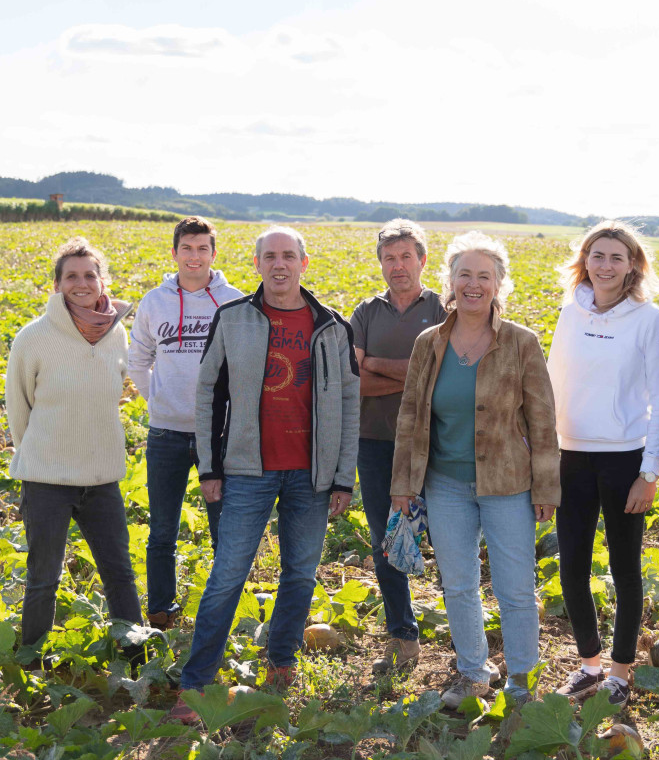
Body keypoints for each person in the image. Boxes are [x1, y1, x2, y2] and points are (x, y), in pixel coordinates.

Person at [171, 226, 360, 722]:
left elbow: (347, 402)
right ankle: (196, 685)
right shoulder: (232, 318)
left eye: (288, 256)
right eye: (270, 256)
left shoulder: (333, 327)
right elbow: (208, 393)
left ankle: (280, 664)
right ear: (257, 264)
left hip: (311, 476)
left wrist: (343, 476)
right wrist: (209, 466)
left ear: (303, 262)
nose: (280, 264)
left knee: (300, 573)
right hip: (246, 472)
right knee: (227, 575)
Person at [390, 230, 560, 709]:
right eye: (464, 274)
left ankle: (523, 680)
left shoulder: (522, 342)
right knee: (459, 584)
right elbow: (410, 415)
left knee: (515, 588)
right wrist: (403, 483)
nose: (473, 284)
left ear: (498, 284)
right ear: (450, 280)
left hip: (508, 485)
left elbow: (543, 421)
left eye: (484, 276)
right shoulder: (430, 343)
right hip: (444, 485)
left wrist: (547, 485)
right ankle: (472, 672)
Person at [547, 221, 659, 712]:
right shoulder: (569, 312)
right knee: (572, 567)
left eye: (616, 257)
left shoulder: (650, 320)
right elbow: (553, 383)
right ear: (585, 260)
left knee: (625, 568)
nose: (605, 265)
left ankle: (621, 672)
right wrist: (542, 449)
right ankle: (589, 665)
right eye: (597, 255)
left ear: (633, 266)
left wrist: (649, 473)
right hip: (569, 456)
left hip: (624, 459)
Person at [6, 238, 143, 655]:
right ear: (57, 285)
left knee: (119, 573)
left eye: (89, 275)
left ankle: (137, 658)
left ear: (103, 282)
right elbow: (18, 409)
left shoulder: (117, 335)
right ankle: (29, 665)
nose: (81, 283)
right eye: (71, 276)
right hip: (47, 479)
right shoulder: (33, 338)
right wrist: (40, 458)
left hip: (102, 478)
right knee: (43, 577)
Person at [128, 217, 243, 630]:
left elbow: (247, 366)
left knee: (224, 532)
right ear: (174, 252)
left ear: (213, 253)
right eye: (187, 248)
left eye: (202, 249)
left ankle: (220, 612)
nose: (194, 256)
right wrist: (159, 400)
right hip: (165, 434)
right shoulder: (154, 302)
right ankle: (160, 611)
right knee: (161, 530)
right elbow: (138, 360)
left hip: (222, 435)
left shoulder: (233, 301)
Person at [350, 219, 447, 675]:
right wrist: (412, 374)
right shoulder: (366, 312)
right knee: (384, 537)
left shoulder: (444, 309)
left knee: (448, 534)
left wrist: (376, 364)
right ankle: (402, 633)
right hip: (374, 442)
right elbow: (355, 383)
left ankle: (464, 628)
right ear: (381, 264)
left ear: (422, 260)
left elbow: (441, 379)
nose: (398, 265)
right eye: (389, 258)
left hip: (435, 441)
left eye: (406, 256)